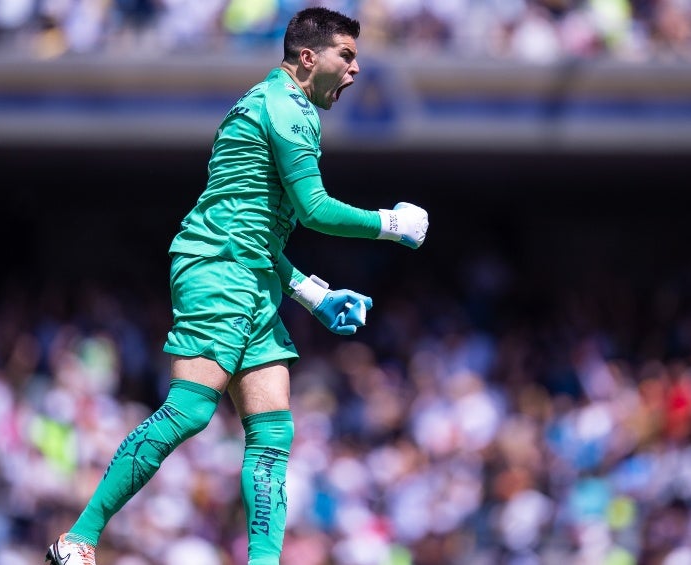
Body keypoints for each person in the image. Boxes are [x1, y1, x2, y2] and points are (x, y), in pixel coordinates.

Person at [46, 7, 428, 565]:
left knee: (274, 435)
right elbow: (315, 209)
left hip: (249, 272)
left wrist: (313, 295)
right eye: (346, 56)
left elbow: (257, 230)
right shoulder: (284, 109)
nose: (355, 70)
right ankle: (78, 539)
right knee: (191, 410)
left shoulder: (279, 105)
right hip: (216, 269)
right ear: (307, 57)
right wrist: (391, 223)